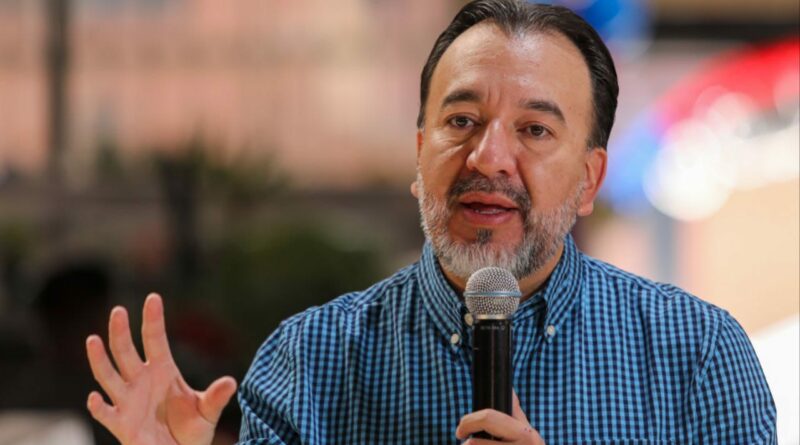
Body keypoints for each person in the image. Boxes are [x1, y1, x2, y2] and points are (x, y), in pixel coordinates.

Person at [85, 1, 777, 444]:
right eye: (462, 120)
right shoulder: (308, 362)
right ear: (420, 155)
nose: (489, 156)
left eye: (534, 129)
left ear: (590, 180)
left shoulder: (697, 355)